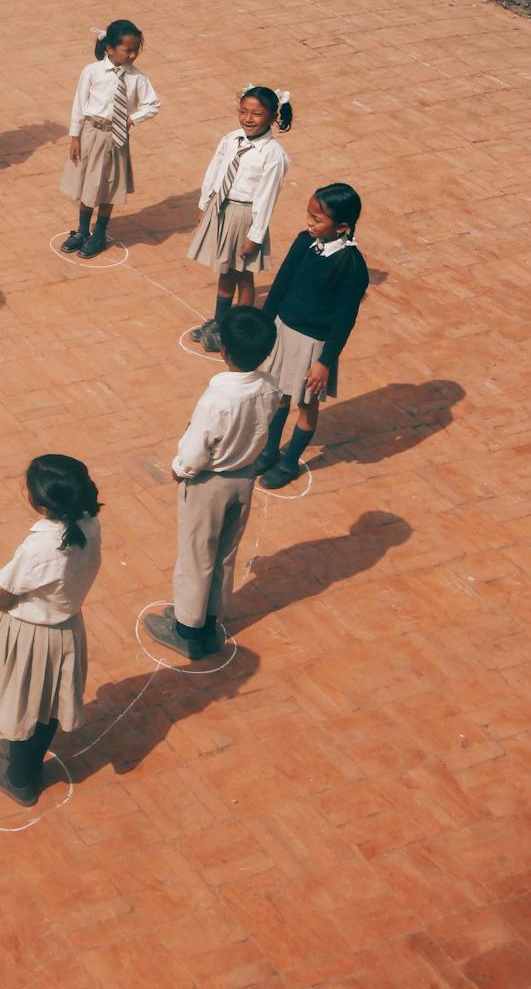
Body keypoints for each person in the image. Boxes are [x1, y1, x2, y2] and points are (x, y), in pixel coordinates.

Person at [142, 306, 279, 661]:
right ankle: (208, 618)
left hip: (209, 484)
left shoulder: (218, 399)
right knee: (224, 553)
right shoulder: (270, 387)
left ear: (224, 351)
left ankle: (187, 631)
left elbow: (197, 449)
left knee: (196, 555)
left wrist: (179, 468)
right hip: (244, 479)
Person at [0, 455, 103, 807]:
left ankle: (21, 777)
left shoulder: (40, 547)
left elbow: (5, 595)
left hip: (32, 635)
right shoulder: (89, 524)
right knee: (48, 706)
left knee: (23, 705)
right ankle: (25, 758)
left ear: (42, 504)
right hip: (66, 627)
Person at [252, 184, 371, 490]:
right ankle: (268, 451)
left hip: (314, 344)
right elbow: (280, 286)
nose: (309, 223)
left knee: (306, 405)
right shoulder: (304, 242)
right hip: (284, 331)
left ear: (342, 227)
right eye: (309, 215)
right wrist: (265, 326)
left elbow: (345, 321)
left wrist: (325, 362)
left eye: (317, 219)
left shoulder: (353, 267)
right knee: (279, 395)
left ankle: (290, 462)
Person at [186, 86, 292, 352]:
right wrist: (204, 204)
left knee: (243, 274)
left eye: (257, 114)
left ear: (272, 117)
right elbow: (215, 170)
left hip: (245, 216)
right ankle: (220, 321)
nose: (248, 118)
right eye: (243, 111)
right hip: (222, 208)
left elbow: (267, 199)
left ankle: (236, 331)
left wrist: (254, 236)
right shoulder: (232, 139)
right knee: (226, 268)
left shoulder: (273, 155)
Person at [60, 20, 162, 259]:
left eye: (136, 49)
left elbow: (153, 105)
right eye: (128, 50)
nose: (133, 54)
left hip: (116, 137)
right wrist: (75, 136)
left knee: (108, 185)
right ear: (109, 48)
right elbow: (79, 104)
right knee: (87, 183)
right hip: (91, 133)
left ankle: (99, 234)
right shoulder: (92, 72)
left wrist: (130, 119)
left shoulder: (137, 78)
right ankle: (83, 230)